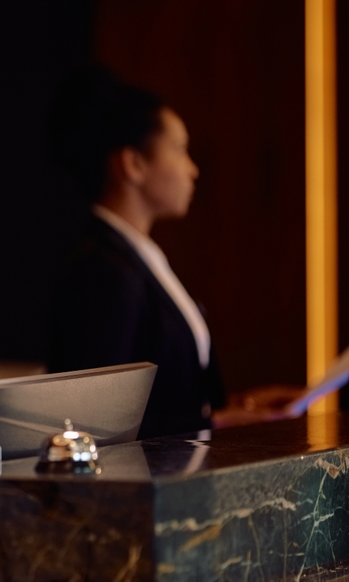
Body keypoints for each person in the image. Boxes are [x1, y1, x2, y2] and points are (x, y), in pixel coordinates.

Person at [46, 68, 295, 438]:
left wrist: (237, 407)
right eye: (179, 150)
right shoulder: (104, 269)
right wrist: (213, 422)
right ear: (133, 164)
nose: (193, 170)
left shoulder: (136, 255)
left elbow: (167, 400)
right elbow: (93, 426)